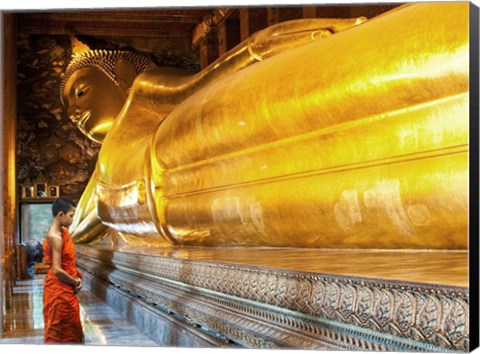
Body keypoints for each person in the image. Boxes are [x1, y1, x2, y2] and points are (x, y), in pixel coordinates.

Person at [61, 3, 468, 249]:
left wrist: (261, 46)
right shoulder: (101, 177)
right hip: (189, 209)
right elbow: (84, 225)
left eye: (79, 93)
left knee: (336, 93)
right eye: (66, 109)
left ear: (125, 71)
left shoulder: (144, 95)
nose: (74, 112)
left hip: (185, 137)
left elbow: (205, 80)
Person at [43, 197, 83, 344]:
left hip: (65, 287)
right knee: (58, 329)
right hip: (58, 289)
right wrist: (75, 282)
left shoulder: (63, 232)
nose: (73, 219)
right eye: (71, 215)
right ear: (61, 215)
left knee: (71, 328)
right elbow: (58, 270)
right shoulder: (55, 236)